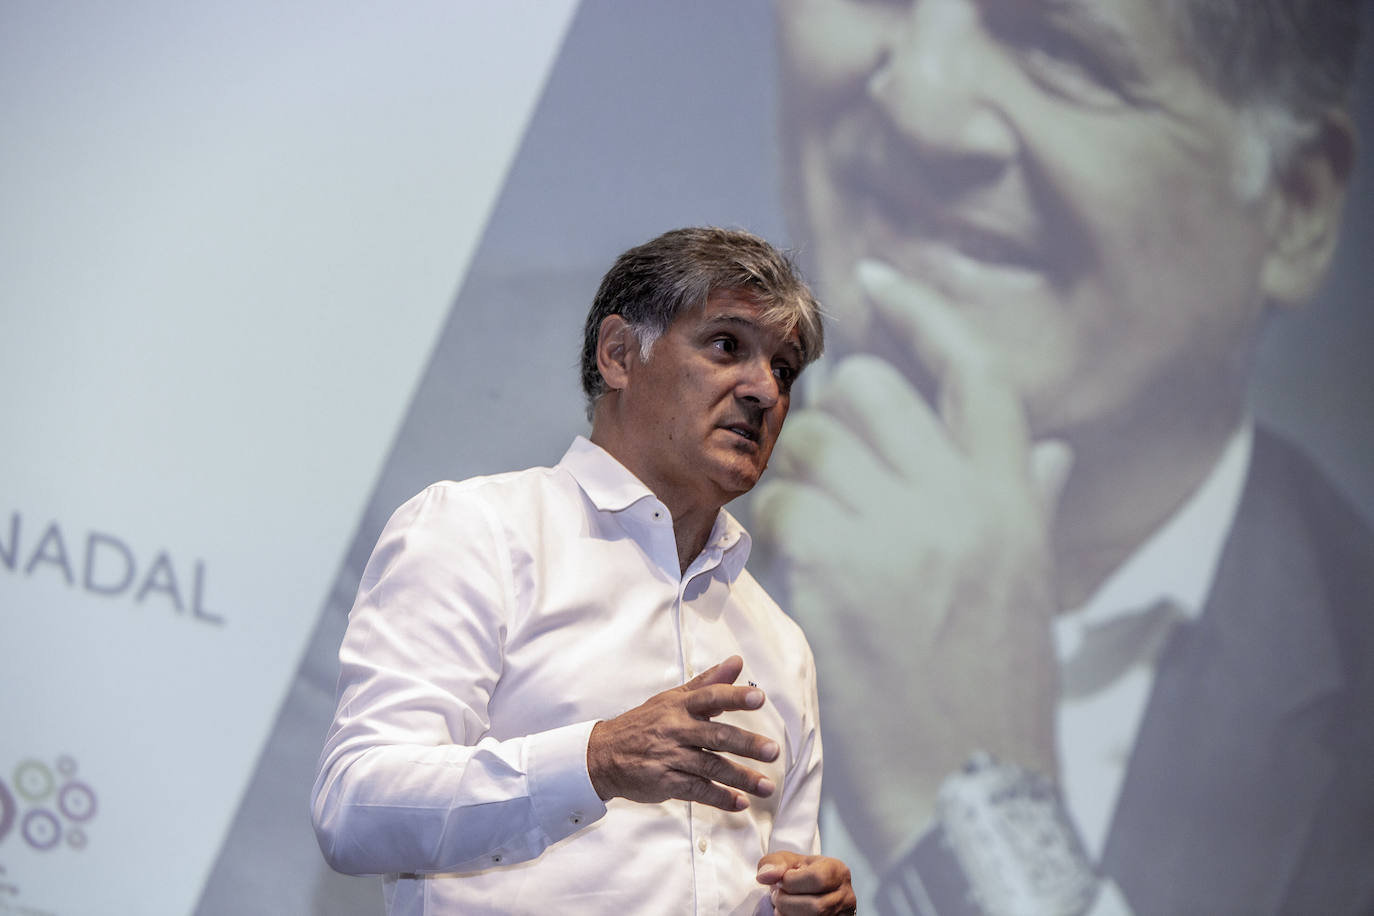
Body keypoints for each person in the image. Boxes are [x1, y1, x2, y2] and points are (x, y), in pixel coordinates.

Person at [756, 1, 1373, 913]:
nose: (919, 105)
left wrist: (982, 829)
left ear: (1294, 206)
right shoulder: (529, 472)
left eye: (1060, 48)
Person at [310, 227, 857, 915]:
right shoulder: (477, 531)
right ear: (620, 354)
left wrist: (806, 903)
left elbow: (777, 874)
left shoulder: (779, 643)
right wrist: (596, 761)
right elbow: (355, 806)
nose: (763, 391)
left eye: (784, 368)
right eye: (727, 346)